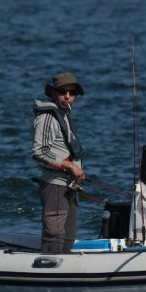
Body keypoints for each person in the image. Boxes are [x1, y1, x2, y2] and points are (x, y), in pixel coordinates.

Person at [32, 71, 86, 253]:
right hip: (55, 186)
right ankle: (47, 272)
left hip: (69, 185)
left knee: (68, 237)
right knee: (54, 235)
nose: (68, 97)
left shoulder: (64, 114)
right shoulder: (47, 117)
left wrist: (78, 169)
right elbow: (40, 152)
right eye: (63, 92)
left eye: (72, 93)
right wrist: (70, 166)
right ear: (53, 93)